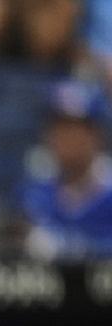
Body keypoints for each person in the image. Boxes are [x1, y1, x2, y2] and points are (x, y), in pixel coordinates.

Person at [23, 80, 112, 259]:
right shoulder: (35, 192)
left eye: (75, 129)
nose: (66, 139)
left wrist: (60, 245)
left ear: (96, 135)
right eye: (59, 129)